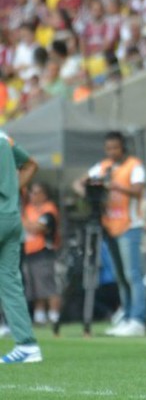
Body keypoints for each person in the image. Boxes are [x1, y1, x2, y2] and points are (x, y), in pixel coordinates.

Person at [73, 131, 146, 337]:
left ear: (123, 147)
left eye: (115, 147)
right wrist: (90, 194)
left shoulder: (134, 165)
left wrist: (116, 186)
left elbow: (138, 190)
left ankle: (138, 319)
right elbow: (78, 183)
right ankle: (127, 317)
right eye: (108, 148)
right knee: (120, 276)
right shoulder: (103, 166)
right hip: (109, 225)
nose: (112, 152)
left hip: (129, 225)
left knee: (133, 274)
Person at [0, 130, 41, 363]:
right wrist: (10, 193)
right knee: (10, 281)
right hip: (11, 217)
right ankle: (27, 346)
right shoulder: (4, 137)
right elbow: (30, 164)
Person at [21, 182, 61, 326]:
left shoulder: (49, 209)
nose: (33, 196)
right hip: (28, 251)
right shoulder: (28, 209)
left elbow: (40, 227)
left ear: (44, 194)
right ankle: (39, 316)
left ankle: (54, 316)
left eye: (37, 193)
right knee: (34, 287)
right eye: (32, 193)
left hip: (44, 252)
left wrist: (21, 219)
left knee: (47, 285)